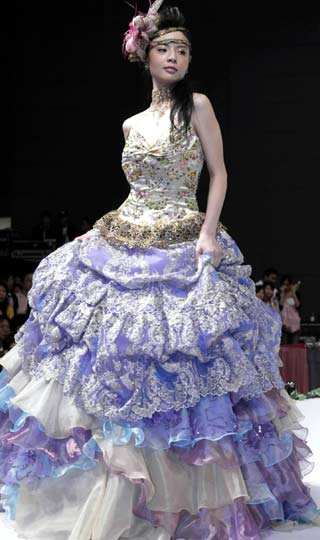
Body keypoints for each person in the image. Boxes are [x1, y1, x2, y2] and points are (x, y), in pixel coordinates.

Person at [0, 2, 319, 539]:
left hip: (183, 237)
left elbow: (219, 174)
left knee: (188, 357)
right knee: (118, 355)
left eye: (183, 50)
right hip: (125, 232)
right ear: (144, 55)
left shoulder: (196, 105)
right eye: (164, 48)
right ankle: (119, 492)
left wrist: (209, 232)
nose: (174, 57)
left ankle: (194, 495)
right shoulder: (130, 123)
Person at [280, 275, 301, 344]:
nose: (286, 286)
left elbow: (298, 305)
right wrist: (282, 293)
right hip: (284, 324)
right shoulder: (279, 294)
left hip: (294, 323)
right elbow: (280, 306)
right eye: (284, 284)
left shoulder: (296, 293)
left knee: (295, 348)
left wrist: (293, 293)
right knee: (285, 348)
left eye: (288, 284)